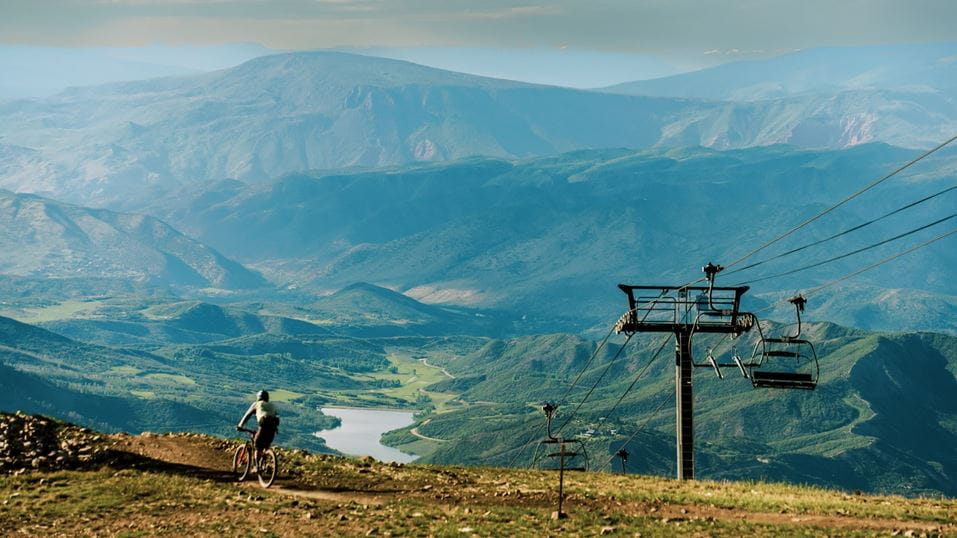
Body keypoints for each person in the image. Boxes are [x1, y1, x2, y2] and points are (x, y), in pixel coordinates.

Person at [237, 390, 280, 463]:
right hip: (273, 427)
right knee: (266, 445)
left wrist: (240, 425)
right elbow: (275, 416)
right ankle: (265, 460)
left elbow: (247, 415)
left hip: (263, 424)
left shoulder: (256, 404)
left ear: (258, 397)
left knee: (257, 446)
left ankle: (256, 467)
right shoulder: (272, 405)